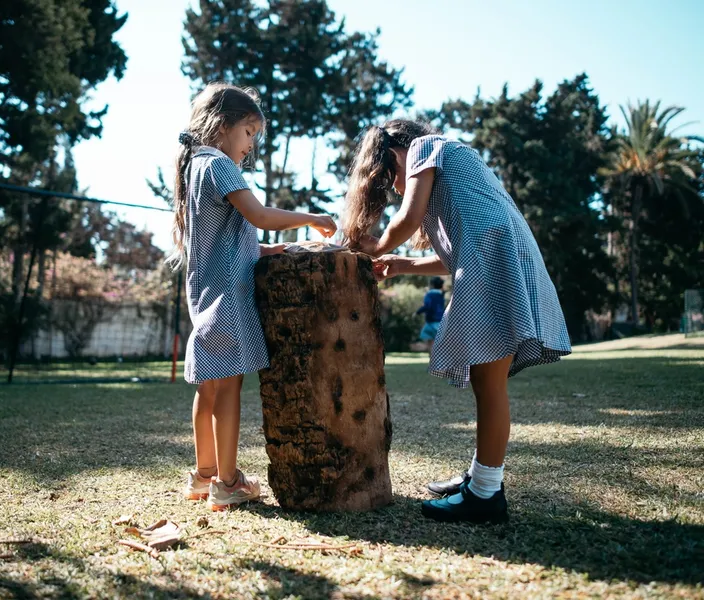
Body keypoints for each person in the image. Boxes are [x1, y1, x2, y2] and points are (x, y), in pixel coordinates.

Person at [342, 120, 571, 523]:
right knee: (487, 385)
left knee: (489, 385)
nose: (396, 187)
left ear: (397, 152)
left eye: (391, 176)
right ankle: (482, 479)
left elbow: (406, 220)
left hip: (495, 261)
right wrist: (401, 265)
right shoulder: (450, 167)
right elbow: (452, 255)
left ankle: (485, 495)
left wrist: (373, 246)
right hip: (498, 258)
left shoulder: (425, 148)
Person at [169, 83, 336, 511]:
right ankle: (228, 482)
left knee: (207, 387)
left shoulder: (196, 168)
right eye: (248, 132)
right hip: (229, 295)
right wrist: (312, 218)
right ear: (222, 126)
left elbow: (218, 237)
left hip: (206, 293)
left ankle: (203, 475)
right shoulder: (220, 165)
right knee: (229, 386)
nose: (250, 145)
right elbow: (258, 214)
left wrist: (261, 249)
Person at [415, 276, 445, 346]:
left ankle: (431, 356)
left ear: (432, 285)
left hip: (431, 322)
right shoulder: (441, 295)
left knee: (430, 343)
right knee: (438, 344)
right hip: (440, 322)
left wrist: (417, 312)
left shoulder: (429, 294)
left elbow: (427, 306)